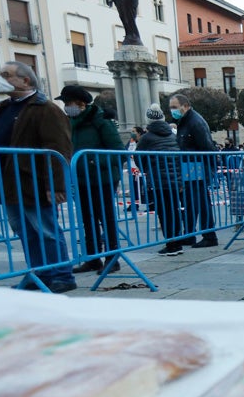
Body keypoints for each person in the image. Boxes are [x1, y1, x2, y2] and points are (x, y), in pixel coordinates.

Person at [0, 61, 77, 292]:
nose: (1, 78)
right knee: (24, 231)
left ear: (25, 80)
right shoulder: (5, 107)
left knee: (46, 230)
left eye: (7, 75)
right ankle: (40, 273)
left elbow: (58, 149)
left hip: (32, 182)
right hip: (7, 183)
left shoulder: (45, 108)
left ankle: (61, 274)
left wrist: (56, 185)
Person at [58, 84, 124, 274]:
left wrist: (94, 160)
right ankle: (93, 258)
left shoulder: (102, 120)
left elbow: (119, 152)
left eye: (68, 103)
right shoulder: (71, 122)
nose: (65, 107)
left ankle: (112, 259)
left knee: (106, 218)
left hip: (102, 178)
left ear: (81, 104)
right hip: (81, 179)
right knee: (87, 219)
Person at [169, 93, 218, 248]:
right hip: (190, 167)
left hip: (198, 166)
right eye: (171, 107)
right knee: (190, 202)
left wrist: (209, 169)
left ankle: (209, 236)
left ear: (185, 106)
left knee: (202, 202)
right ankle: (189, 234)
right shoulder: (184, 121)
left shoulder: (195, 122)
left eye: (175, 107)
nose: (172, 111)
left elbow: (207, 146)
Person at [135, 103, 184, 255]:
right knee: (174, 210)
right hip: (175, 179)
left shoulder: (146, 138)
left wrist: (146, 171)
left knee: (164, 212)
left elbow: (139, 158)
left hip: (158, 180)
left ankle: (171, 244)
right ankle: (177, 242)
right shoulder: (172, 135)